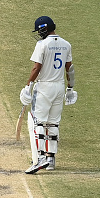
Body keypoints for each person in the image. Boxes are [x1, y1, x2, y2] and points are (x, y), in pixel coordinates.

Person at [20, 16, 76, 174]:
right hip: (59, 87)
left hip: (44, 86)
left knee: (37, 122)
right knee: (53, 123)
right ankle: (50, 159)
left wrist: (28, 85)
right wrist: (70, 88)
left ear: (44, 29)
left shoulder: (42, 44)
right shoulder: (66, 44)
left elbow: (36, 68)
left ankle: (39, 159)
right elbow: (69, 69)